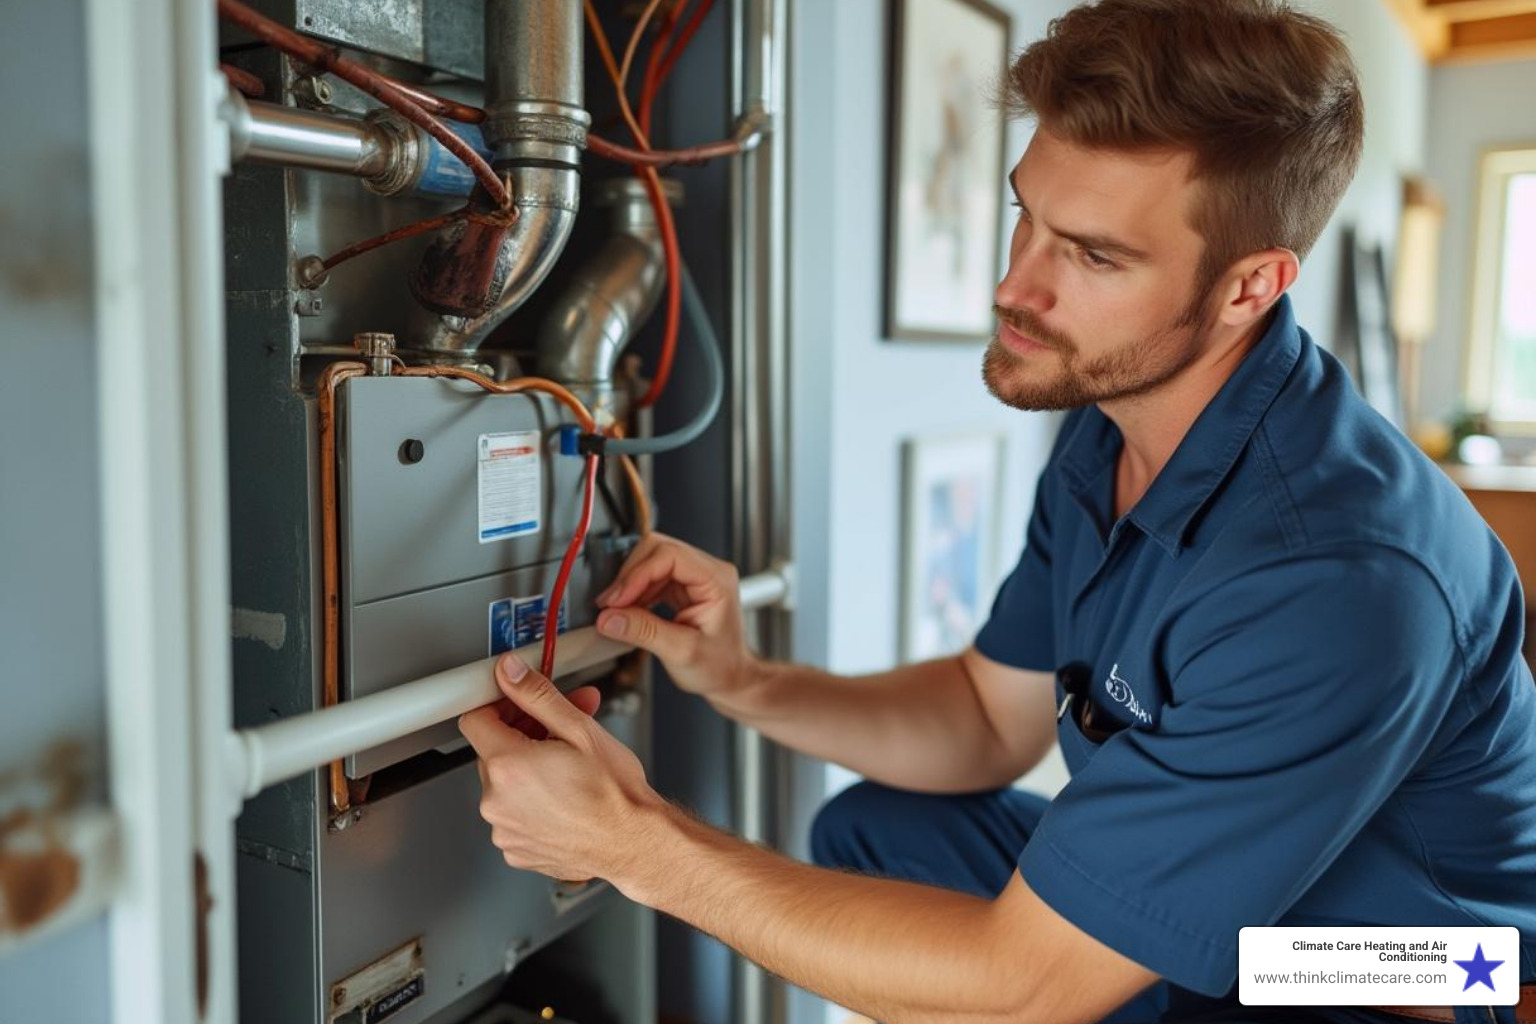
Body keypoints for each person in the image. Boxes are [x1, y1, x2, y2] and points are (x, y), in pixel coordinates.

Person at [457, 1, 1536, 1021]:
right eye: (1029, 215)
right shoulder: (1112, 419)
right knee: (875, 830)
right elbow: (986, 720)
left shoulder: (1337, 577)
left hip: (1365, 971)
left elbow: (1029, 986)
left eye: (1095, 255)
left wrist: (635, 842)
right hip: (1237, 911)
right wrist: (745, 680)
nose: (1016, 288)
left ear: (1251, 286)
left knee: (1015, 976)